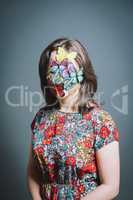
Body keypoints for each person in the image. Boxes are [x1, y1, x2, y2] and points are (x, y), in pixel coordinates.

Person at [27, 38, 120, 200]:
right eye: (52, 70)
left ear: (82, 71)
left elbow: (111, 187)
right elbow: (33, 172)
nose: (59, 77)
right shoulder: (41, 118)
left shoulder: (100, 121)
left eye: (66, 68)